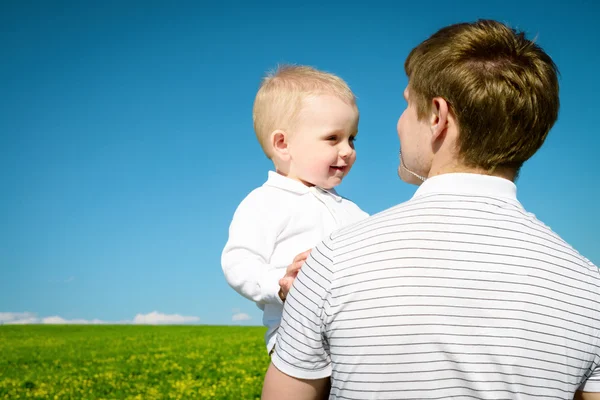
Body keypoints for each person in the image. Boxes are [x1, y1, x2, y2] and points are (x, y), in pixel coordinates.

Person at [262, 19, 600, 399]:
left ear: (438, 117)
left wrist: (305, 303)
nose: (400, 123)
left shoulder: (332, 262)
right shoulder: (590, 288)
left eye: (407, 104)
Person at [221, 65, 368, 355]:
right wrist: (279, 284)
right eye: (332, 138)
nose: (348, 150)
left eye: (352, 138)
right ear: (283, 144)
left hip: (354, 340)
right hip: (296, 338)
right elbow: (239, 262)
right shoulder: (264, 202)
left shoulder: (354, 213)